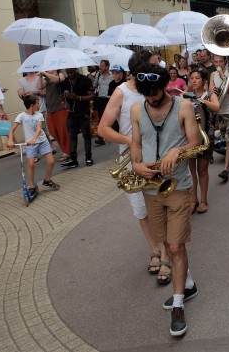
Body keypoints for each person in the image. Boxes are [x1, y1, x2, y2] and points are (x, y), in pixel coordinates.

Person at [130, 62, 202, 337]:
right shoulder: (137, 109)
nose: (151, 100)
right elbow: (136, 143)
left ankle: (179, 305)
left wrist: (178, 150)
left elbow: (196, 141)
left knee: (174, 246)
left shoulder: (183, 106)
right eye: (146, 95)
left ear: (164, 86)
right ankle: (189, 283)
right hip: (150, 187)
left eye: (155, 94)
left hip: (179, 186)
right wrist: (136, 165)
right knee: (166, 246)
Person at [97, 51, 175, 283]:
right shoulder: (121, 92)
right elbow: (103, 128)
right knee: (141, 209)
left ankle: (166, 254)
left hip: (159, 155)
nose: (158, 69)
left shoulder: (156, 87)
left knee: (160, 207)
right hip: (133, 159)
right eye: (154, 66)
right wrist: (131, 141)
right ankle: (155, 249)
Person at [7, 95, 60, 203]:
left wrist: (34, 139)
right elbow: (12, 129)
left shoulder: (39, 115)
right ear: (32, 105)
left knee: (51, 161)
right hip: (31, 144)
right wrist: (10, 140)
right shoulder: (21, 116)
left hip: (42, 141)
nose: (39, 105)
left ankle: (47, 180)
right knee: (31, 164)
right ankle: (31, 186)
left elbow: (39, 128)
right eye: (37, 103)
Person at [187, 66, 219, 214]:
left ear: (203, 80)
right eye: (192, 78)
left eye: (197, 78)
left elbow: (217, 106)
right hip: (189, 137)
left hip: (206, 136)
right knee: (191, 171)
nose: (193, 81)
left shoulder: (210, 94)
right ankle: (193, 200)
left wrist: (202, 101)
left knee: (202, 170)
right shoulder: (187, 95)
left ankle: (204, 200)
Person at [210, 54, 229, 181]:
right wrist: (214, 91)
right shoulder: (212, 75)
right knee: (226, 138)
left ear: (225, 61)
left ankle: (225, 169)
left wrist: (222, 75)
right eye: (216, 62)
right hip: (220, 110)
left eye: (220, 61)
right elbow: (210, 92)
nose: (218, 64)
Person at [60, 68, 94, 168]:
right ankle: (73, 159)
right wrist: (64, 102)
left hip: (83, 112)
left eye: (71, 72)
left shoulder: (84, 80)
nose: (69, 74)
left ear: (75, 70)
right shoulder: (65, 82)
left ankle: (88, 157)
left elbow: (92, 96)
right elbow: (62, 97)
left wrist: (78, 97)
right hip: (71, 114)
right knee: (72, 136)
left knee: (86, 135)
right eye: (68, 73)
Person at [41, 70, 70, 162]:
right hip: (50, 108)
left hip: (60, 106)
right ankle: (66, 149)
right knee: (53, 131)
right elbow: (39, 86)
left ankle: (67, 151)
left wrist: (46, 74)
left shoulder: (60, 73)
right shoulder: (46, 78)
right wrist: (40, 76)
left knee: (63, 130)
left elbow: (58, 80)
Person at [93, 60, 113, 146]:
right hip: (100, 99)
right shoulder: (98, 75)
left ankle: (112, 134)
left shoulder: (112, 76)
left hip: (109, 99)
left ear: (107, 67)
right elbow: (94, 86)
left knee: (111, 118)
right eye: (100, 65)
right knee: (101, 118)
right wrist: (93, 80)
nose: (100, 67)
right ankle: (101, 138)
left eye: (102, 66)